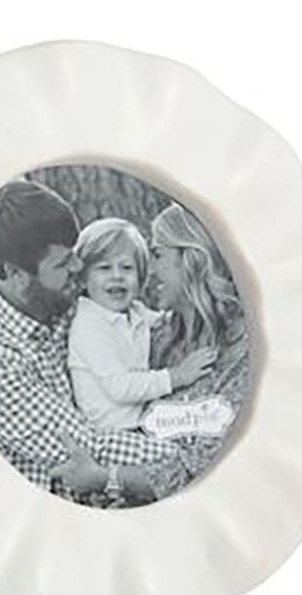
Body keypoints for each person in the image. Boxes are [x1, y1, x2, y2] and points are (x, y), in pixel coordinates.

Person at [0, 181, 180, 504]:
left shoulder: (57, 295)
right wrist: (189, 457)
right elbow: (89, 447)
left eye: (74, 253)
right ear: (16, 274)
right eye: (62, 263)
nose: (79, 267)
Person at [54, 203, 250, 501]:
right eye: (105, 268)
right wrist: (176, 376)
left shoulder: (240, 352)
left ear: (192, 259)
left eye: (157, 255)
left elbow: (206, 469)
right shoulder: (156, 335)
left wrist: (106, 479)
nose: (149, 271)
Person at [68, 217, 216, 430]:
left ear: (141, 276)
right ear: (82, 278)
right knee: (171, 447)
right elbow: (120, 388)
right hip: (112, 432)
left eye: (127, 267)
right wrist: (176, 376)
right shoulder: (89, 326)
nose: (117, 276)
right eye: (104, 268)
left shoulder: (134, 312)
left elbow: (163, 321)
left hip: (140, 424)